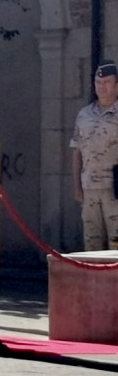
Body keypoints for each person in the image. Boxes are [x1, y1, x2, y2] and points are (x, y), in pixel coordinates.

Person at [71, 61, 118, 251]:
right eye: (98, 83)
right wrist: (76, 187)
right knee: (92, 243)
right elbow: (77, 153)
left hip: (115, 190)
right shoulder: (84, 115)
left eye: (107, 82)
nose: (102, 87)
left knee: (116, 243)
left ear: (116, 85)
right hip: (89, 188)